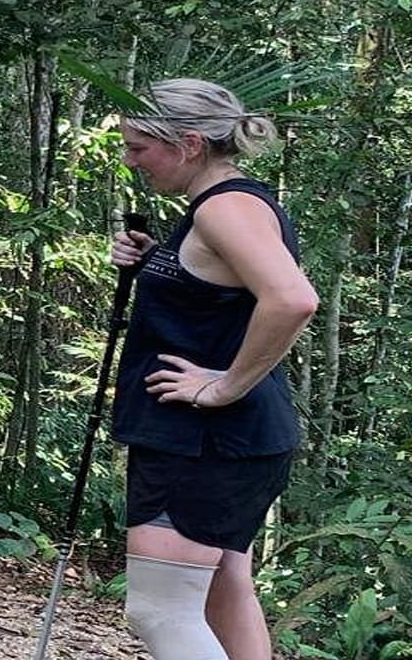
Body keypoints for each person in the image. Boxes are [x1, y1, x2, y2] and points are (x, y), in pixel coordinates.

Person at [109, 78, 318, 660]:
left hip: (204, 442)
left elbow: (292, 299)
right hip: (235, 441)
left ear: (190, 143)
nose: (132, 162)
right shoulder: (231, 202)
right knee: (223, 591)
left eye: (139, 148)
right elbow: (221, 293)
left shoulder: (225, 208)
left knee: (160, 611)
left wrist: (221, 387)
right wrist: (155, 262)